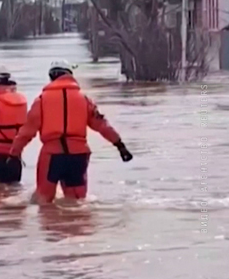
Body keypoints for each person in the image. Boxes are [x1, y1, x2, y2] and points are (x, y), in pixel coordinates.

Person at [8, 60, 134, 203]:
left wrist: (14, 153)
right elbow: (103, 126)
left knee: (43, 201)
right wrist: (120, 145)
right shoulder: (84, 99)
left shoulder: (41, 101)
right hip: (78, 155)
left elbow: (26, 132)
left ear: (51, 77)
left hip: (51, 155)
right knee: (77, 203)